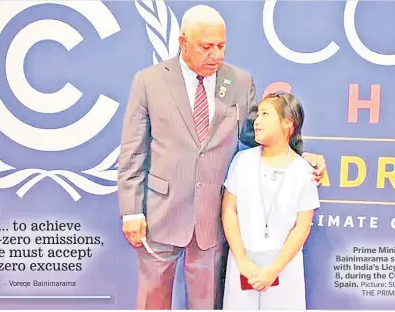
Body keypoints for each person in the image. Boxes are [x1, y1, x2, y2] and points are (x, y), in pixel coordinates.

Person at [117, 5, 325, 310]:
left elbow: (256, 138)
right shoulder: (149, 81)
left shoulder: (240, 82)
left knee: (207, 303)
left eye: (221, 46)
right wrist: (132, 211)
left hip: (212, 216)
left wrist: (301, 156)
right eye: (206, 47)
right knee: (152, 300)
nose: (216, 54)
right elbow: (133, 150)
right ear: (183, 42)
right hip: (160, 212)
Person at [221, 92, 319, 310]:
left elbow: (302, 227)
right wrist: (242, 260)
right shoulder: (242, 161)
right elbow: (229, 210)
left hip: (283, 267)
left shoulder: (304, 172)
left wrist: (273, 270)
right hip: (242, 263)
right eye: (257, 115)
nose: (257, 121)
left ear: (287, 123)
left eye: (265, 114)